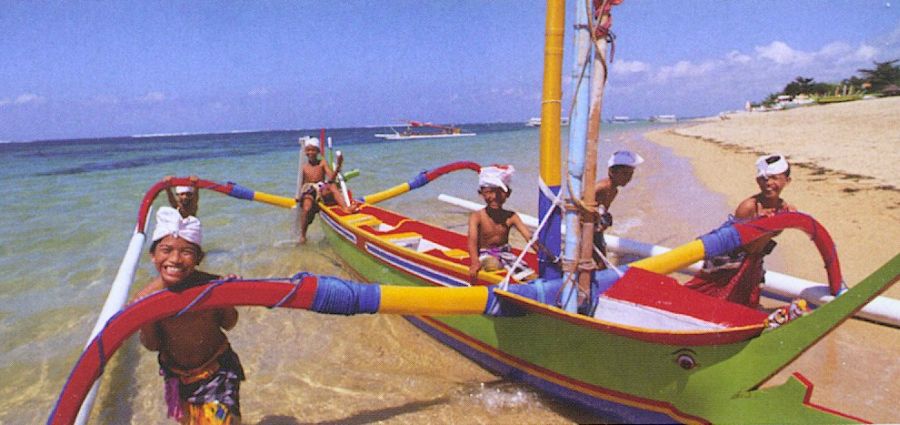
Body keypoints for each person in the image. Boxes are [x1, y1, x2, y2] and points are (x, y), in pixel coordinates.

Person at [133, 207, 244, 424]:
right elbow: (153, 345)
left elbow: (229, 324)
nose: (175, 259)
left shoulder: (212, 285)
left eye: (186, 252)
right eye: (166, 250)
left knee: (223, 422)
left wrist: (227, 296)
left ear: (199, 258)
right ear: (153, 255)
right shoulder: (146, 299)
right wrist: (144, 319)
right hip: (176, 377)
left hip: (217, 369)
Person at [685, 153, 796, 307]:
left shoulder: (787, 210)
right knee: (706, 297)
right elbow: (746, 245)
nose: (768, 183)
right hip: (729, 260)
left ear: (787, 181)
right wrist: (766, 225)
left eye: (774, 178)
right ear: (758, 181)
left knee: (743, 302)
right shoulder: (749, 207)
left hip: (753, 260)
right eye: (764, 179)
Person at [467, 165, 537, 283]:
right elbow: (472, 241)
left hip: (506, 255)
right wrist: (474, 262)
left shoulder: (511, 217)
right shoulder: (477, 216)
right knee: (493, 264)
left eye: (499, 193)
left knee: (532, 277)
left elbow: (529, 237)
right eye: (489, 192)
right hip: (485, 255)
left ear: (508, 194)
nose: (494, 197)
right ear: (481, 193)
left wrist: (545, 255)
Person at [295, 137, 358, 244]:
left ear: (318, 151)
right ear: (305, 152)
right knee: (306, 208)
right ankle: (303, 235)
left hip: (321, 188)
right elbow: (301, 185)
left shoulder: (322, 163)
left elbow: (331, 179)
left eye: (313, 150)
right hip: (310, 190)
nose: (311, 152)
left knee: (332, 186)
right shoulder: (304, 167)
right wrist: (299, 196)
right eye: (308, 150)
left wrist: (338, 166)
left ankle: (346, 208)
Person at [592, 150, 643, 268]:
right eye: (625, 174)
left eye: (630, 175)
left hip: (596, 230)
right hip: (587, 229)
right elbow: (581, 201)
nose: (628, 178)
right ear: (612, 172)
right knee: (598, 262)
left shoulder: (614, 191)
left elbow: (603, 209)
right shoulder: (602, 187)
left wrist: (604, 219)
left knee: (602, 262)